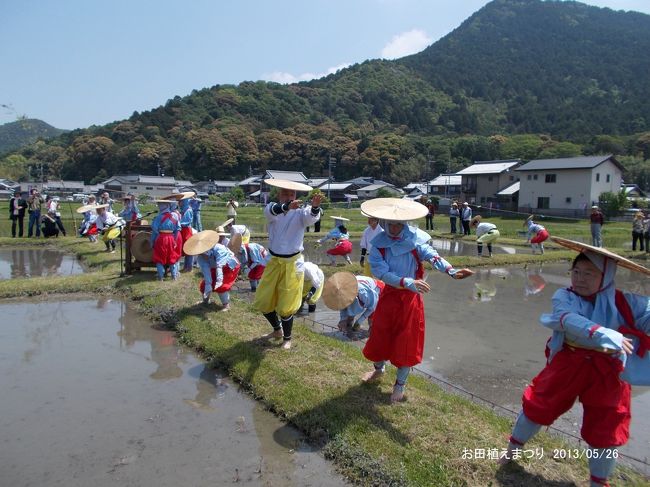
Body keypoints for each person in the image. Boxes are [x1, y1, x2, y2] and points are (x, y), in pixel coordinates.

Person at [501, 236, 650, 487]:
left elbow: (646, 314)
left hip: (610, 370)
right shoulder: (565, 296)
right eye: (576, 272)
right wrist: (603, 332)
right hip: (570, 361)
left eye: (589, 274)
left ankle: (598, 481)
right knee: (539, 403)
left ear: (606, 276)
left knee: (608, 424)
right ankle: (512, 450)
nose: (580, 278)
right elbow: (567, 319)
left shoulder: (624, 301)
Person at [360, 198, 474, 402]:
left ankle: (399, 386)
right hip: (389, 297)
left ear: (405, 224)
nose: (394, 228)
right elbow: (381, 273)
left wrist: (451, 271)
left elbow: (433, 256)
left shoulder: (415, 241)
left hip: (410, 301)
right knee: (379, 333)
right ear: (384, 223)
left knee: (407, 341)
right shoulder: (379, 245)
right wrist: (406, 282)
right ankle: (379, 369)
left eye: (398, 224)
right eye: (390, 223)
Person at [253, 179, 322, 350]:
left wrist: (314, 206)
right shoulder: (271, 208)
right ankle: (276, 330)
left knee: (287, 303)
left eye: (292, 194)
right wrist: (287, 206)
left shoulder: (302, 213)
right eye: (285, 193)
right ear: (279, 194)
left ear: (296, 196)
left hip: (293, 262)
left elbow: (312, 218)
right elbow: (274, 211)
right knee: (263, 300)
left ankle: (287, 338)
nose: (288, 197)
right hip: (274, 261)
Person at [187, 230, 241, 310]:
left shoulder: (219, 248)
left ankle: (226, 305)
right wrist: (208, 284)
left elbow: (220, 266)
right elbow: (206, 271)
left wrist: (219, 281)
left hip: (229, 266)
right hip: (216, 267)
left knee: (221, 286)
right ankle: (205, 301)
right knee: (204, 284)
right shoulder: (200, 257)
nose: (202, 254)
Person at [150, 199, 182, 281]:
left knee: (159, 256)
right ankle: (174, 276)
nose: (159, 206)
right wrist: (174, 240)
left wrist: (152, 241)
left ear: (165, 205)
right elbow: (178, 229)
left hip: (161, 238)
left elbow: (154, 230)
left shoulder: (158, 217)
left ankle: (161, 277)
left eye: (160, 204)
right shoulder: (175, 216)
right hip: (171, 238)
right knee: (171, 256)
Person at [179, 195, 195, 272]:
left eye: (180, 201)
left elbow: (185, 222)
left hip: (186, 230)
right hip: (183, 230)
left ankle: (189, 267)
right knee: (184, 248)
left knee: (188, 248)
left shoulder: (188, 210)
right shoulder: (183, 209)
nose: (179, 203)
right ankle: (186, 267)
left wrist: (177, 223)